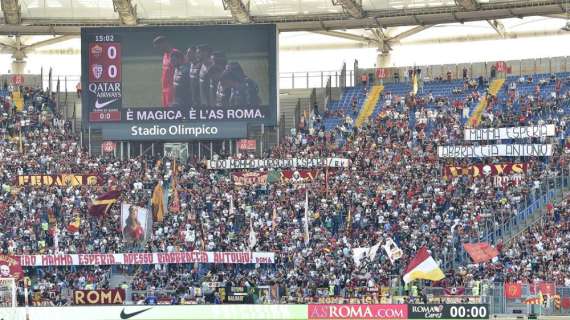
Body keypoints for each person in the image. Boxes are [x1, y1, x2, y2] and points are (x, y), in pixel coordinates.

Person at [153, 36, 180, 108]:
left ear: (164, 43)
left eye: (159, 47)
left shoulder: (176, 54)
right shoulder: (165, 55)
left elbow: (183, 69)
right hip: (164, 90)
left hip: (172, 90)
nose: (159, 49)